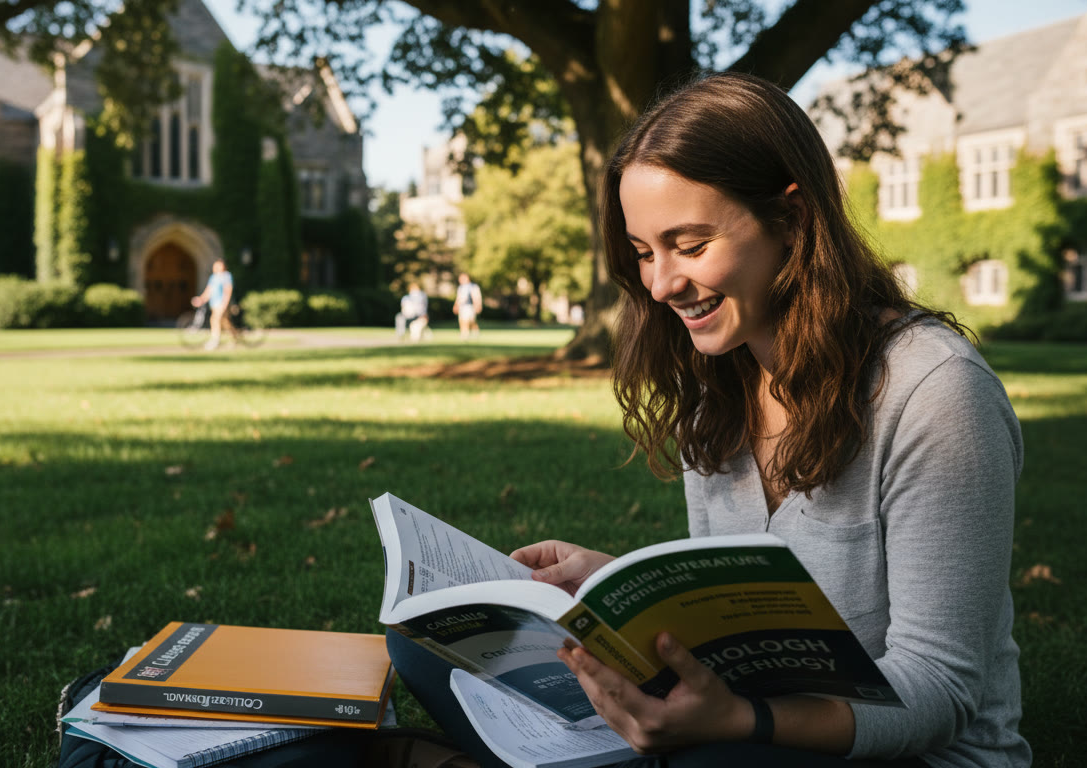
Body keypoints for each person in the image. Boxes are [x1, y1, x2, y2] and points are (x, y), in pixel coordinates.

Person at [388, 71, 1030, 768]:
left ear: (792, 219)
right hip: (741, 717)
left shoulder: (935, 394)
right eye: (643, 253)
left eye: (690, 246)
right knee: (419, 649)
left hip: (897, 753)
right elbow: (747, 618)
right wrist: (610, 589)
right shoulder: (718, 386)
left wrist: (739, 720)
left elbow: (941, 689)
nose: (660, 284)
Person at [191, 259, 234, 351]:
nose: (216, 268)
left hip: (222, 303)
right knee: (225, 322)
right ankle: (234, 337)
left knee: (214, 319)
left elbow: (228, 291)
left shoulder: (226, 276)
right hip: (214, 303)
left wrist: (225, 303)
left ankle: (215, 340)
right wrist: (201, 300)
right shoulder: (213, 278)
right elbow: (208, 291)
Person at [452, 273, 482, 339]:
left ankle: (474, 332)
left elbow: (476, 297)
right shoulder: (460, 287)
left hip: (470, 306)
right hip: (462, 306)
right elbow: (458, 298)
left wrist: (478, 305)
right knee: (462, 320)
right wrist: (456, 305)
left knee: (470, 321)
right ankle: (464, 333)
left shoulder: (473, 286)